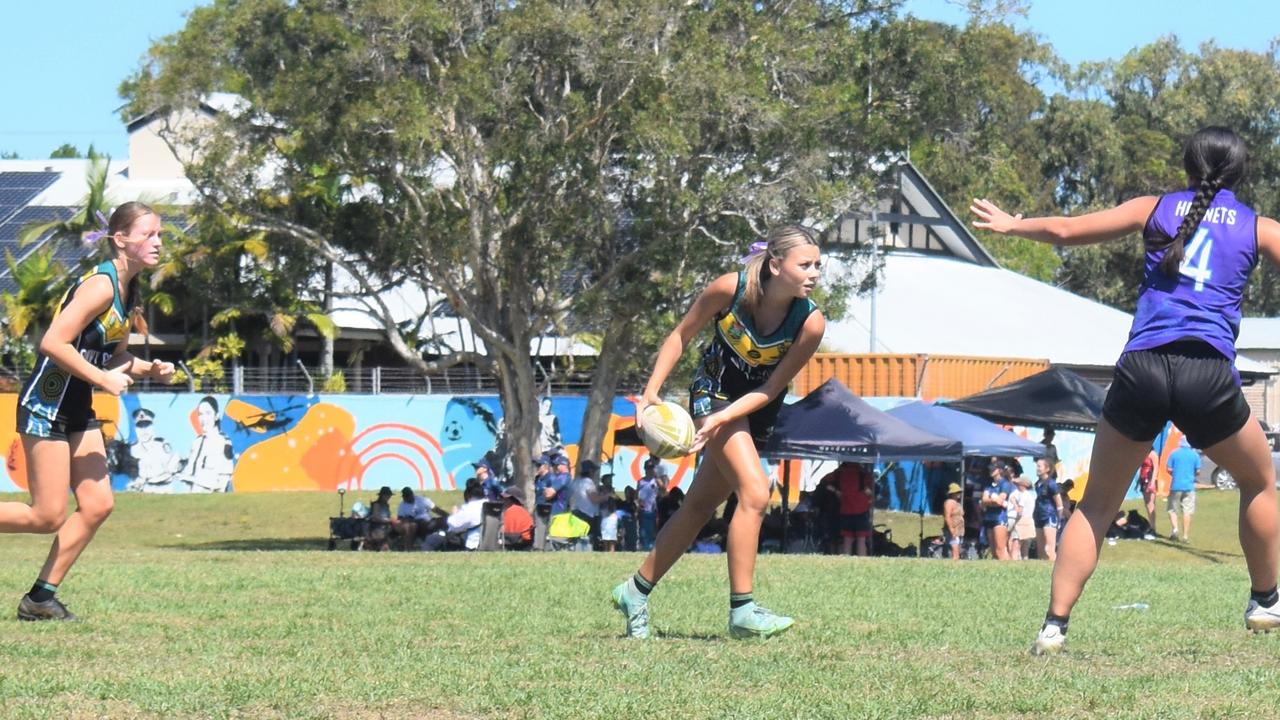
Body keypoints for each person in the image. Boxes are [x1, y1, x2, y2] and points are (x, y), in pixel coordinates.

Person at [972, 126, 1280, 654]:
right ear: (1240, 172)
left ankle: (1054, 627)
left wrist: (1013, 225)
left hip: (1142, 367)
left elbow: (1068, 231)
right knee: (1259, 482)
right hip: (1206, 370)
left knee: (1096, 505)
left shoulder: (1153, 207)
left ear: (1187, 166)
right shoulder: (1259, 226)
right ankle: (1265, 600)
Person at [611, 225, 824, 639]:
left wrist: (725, 421)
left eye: (818, 264)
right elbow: (680, 335)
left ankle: (633, 591)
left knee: (699, 507)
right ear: (777, 265)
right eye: (805, 264)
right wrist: (651, 393)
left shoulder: (810, 324)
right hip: (712, 392)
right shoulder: (730, 288)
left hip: (751, 409)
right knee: (755, 493)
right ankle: (742, 611)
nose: (814, 272)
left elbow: (769, 389)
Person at [2, 202, 174, 621]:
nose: (158, 242)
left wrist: (147, 368)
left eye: (160, 235)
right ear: (121, 240)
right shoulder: (100, 285)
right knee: (47, 515)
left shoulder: (131, 288)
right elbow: (53, 343)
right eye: (149, 234)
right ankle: (39, 600)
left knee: (97, 505)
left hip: (77, 407)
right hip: (47, 404)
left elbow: (111, 357)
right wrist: (102, 380)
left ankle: (39, 599)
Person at [177, 395, 234, 493]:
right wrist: (179, 467)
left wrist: (192, 479)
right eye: (200, 414)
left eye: (208, 413)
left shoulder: (223, 442)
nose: (203, 418)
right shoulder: (197, 442)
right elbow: (189, 470)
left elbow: (222, 483)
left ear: (216, 416)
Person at [125, 407, 182, 493]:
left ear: (152, 427)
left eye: (147, 426)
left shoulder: (162, 444)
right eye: (140, 426)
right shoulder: (133, 449)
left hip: (164, 488)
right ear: (136, 429)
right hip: (146, 489)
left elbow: (171, 468)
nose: (144, 431)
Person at [830, 462, 874, 557]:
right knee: (861, 539)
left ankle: (846, 560)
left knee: (847, 538)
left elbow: (829, 486)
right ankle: (863, 562)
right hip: (861, 511)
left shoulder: (839, 473)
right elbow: (870, 492)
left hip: (846, 510)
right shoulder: (863, 474)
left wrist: (837, 492)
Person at [1166, 437, 1201, 544]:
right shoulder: (1195, 455)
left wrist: (1174, 474)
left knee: (1172, 509)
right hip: (1189, 486)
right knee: (1187, 511)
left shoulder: (1174, 454)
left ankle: (1175, 530)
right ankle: (1185, 536)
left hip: (1176, 485)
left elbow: (1168, 469)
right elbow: (1198, 471)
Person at [1032, 457, 1064, 562]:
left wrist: (1059, 519)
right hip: (1039, 516)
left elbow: (1059, 503)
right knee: (1040, 549)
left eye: (1039, 466)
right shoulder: (1037, 484)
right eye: (1037, 466)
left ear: (1047, 469)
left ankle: (1053, 568)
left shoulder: (1051, 484)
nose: (1037, 468)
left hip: (1049, 516)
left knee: (1049, 549)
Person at [980, 461, 1014, 561]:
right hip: (989, 517)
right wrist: (993, 499)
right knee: (994, 551)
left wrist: (991, 499)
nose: (990, 471)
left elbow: (1000, 501)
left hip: (1000, 518)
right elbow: (983, 501)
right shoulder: (989, 485)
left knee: (1000, 549)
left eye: (993, 469)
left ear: (999, 471)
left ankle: (1010, 570)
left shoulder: (1005, 484)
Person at [636, 456, 665, 551]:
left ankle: (652, 548)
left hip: (653, 509)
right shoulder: (641, 481)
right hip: (643, 510)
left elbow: (663, 489)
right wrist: (638, 503)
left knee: (653, 531)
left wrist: (657, 478)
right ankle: (644, 547)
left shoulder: (656, 480)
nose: (649, 470)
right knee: (643, 531)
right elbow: (637, 495)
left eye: (651, 468)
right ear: (645, 469)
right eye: (648, 468)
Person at [1009, 474, 1036, 560]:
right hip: (1029, 520)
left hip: (1021, 521)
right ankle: (1025, 562)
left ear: (1023, 485)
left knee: (1016, 544)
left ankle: (1013, 562)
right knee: (1025, 547)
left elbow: (1020, 511)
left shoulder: (1023, 496)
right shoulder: (1030, 495)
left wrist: (1014, 502)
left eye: (1018, 484)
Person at [500, 485, 534, 550]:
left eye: (506, 499)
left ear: (513, 499)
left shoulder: (511, 510)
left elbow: (504, 532)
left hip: (518, 544)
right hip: (527, 544)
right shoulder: (524, 512)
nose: (503, 501)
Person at [1138, 446, 1160, 539]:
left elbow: (1156, 468)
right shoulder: (1143, 453)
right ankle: (1151, 526)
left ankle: (1153, 528)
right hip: (1144, 479)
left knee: (1151, 504)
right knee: (1147, 504)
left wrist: (1152, 482)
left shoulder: (1153, 454)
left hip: (1150, 479)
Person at [364, 486, 394, 552]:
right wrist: (388, 520)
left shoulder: (386, 505)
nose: (389, 497)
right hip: (375, 528)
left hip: (386, 528)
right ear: (382, 496)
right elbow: (375, 518)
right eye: (387, 495)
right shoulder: (376, 505)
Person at [942, 482, 965, 560]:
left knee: (957, 546)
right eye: (956, 492)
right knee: (954, 546)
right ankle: (954, 562)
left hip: (958, 529)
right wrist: (951, 529)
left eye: (959, 492)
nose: (958, 494)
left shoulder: (957, 503)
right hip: (952, 528)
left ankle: (956, 560)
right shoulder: (948, 503)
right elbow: (947, 517)